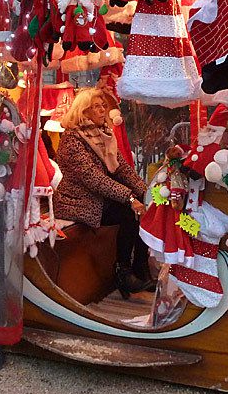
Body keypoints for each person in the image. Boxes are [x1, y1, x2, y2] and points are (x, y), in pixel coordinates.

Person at [53, 88, 153, 298]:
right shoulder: (72, 140)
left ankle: (140, 269)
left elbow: (122, 168)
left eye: (103, 106)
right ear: (83, 111)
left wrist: (146, 193)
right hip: (78, 202)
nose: (102, 110)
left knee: (146, 209)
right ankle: (123, 273)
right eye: (96, 107)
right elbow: (93, 179)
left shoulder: (104, 134)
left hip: (99, 199)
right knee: (129, 213)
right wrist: (129, 197)